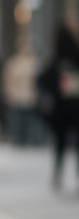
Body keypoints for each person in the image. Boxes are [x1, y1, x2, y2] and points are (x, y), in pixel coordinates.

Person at [37, 23, 79, 188]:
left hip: (61, 108)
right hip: (75, 106)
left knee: (60, 141)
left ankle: (58, 171)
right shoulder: (75, 56)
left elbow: (43, 79)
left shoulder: (56, 58)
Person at [1, 34, 41, 147]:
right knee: (17, 124)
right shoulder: (13, 62)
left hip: (30, 98)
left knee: (29, 124)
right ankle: (18, 141)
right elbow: (8, 79)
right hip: (17, 97)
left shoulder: (34, 63)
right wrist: (8, 93)